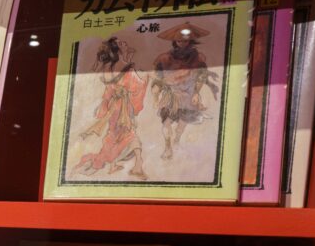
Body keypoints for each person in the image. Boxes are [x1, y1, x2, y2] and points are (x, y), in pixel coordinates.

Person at [75, 36, 148, 179]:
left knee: (113, 134)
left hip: (114, 107)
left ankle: (113, 165)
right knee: (129, 133)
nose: (125, 43)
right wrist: (145, 81)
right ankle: (138, 165)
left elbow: (109, 89)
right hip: (124, 107)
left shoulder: (109, 67)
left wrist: (105, 104)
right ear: (117, 50)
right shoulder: (126, 68)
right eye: (121, 43)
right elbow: (136, 86)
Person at [151, 22, 219, 160]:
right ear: (175, 41)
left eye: (185, 40)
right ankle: (168, 147)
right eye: (179, 40)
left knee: (182, 124)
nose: (182, 43)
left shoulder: (198, 58)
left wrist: (196, 93)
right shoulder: (164, 58)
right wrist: (155, 98)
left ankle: (177, 138)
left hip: (188, 94)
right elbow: (158, 78)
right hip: (171, 95)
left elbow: (201, 76)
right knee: (166, 122)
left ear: (190, 41)